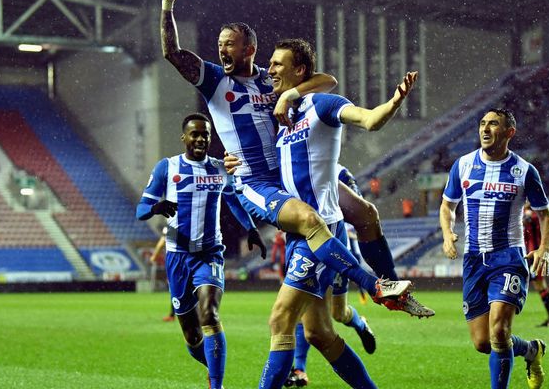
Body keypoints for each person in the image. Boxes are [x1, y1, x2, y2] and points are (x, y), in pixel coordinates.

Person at [160, 0, 404, 288]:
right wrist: (168, 4)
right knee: (309, 224)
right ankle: (372, 286)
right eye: (220, 44)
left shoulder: (271, 79)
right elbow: (173, 53)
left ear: (249, 49)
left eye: (229, 44)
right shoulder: (216, 80)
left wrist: (289, 95)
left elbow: (327, 80)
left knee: (366, 213)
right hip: (255, 181)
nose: (222, 49)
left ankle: (396, 285)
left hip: (289, 171)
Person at [240, 38, 433, 389]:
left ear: (299, 70)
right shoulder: (282, 115)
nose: (270, 70)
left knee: (281, 319)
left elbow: (368, 119)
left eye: (277, 64)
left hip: (321, 231)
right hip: (301, 231)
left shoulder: (321, 105)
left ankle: (381, 285)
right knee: (319, 333)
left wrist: (392, 102)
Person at [136, 113, 267, 389]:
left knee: (210, 314)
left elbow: (233, 201)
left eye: (205, 134)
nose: (200, 139)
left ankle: (216, 385)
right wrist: (156, 208)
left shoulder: (220, 169)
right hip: (177, 257)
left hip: (209, 254)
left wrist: (252, 229)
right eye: (194, 134)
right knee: (193, 336)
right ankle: (211, 364)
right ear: (184, 137)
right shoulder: (167, 168)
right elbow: (140, 210)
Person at [440, 108, 549, 389]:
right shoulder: (463, 165)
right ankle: (531, 350)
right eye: (482, 124)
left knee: (500, 329)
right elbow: (447, 205)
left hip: (508, 259)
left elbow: (546, 214)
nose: (485, 129)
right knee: (483, 342)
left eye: (493, 124)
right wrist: (447, 233)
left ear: (509, 133)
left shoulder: (524, 171)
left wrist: (544, 248)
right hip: (474, 260)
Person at [286, 164, 375, 388]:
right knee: (299, 307)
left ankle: (360, 324)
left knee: (338, 313)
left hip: (334, 247)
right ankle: (299, 368)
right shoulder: (294, 165)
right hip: (307, 247)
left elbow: (357, 208)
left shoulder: (341, 173)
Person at [523, 203, 549, 327]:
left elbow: (526, 220)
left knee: (540, 286)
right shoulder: (533, 212)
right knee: (539, 286)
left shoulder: (532, 213)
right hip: (528, 255)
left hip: (534, 255)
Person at [149, 231, 176, 322]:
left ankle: (173, 315)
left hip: (176, 261)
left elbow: (161, 243)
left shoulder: (170, 226)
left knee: (175, 289)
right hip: (192, 259)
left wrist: (154, 256)